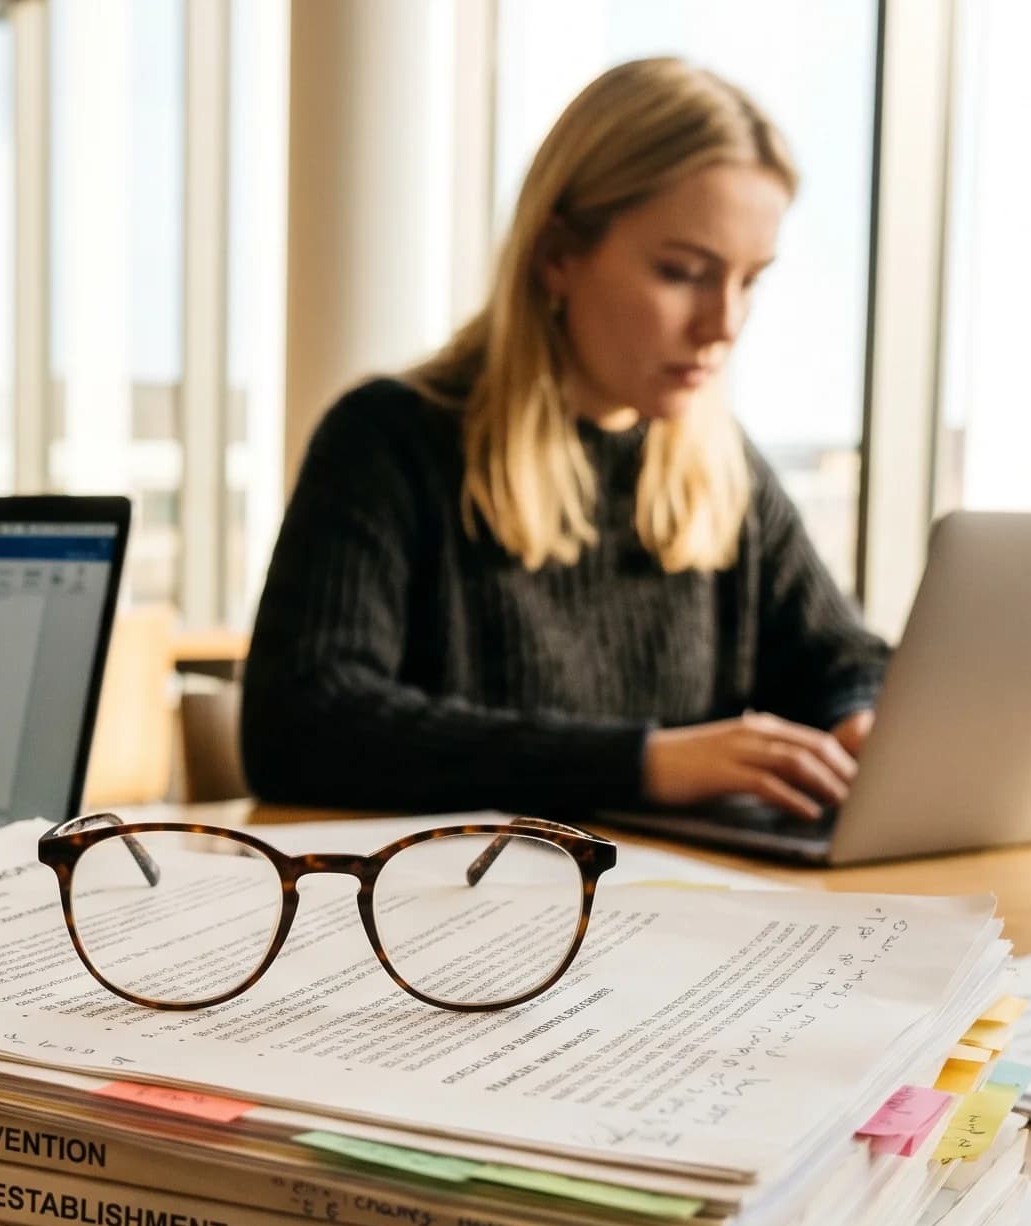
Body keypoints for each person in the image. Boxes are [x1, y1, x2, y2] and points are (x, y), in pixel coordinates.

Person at [238, 58, 887, 817]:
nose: (725, 325)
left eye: (750, 280)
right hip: (465, 922)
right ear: (557, 257)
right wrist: (641, 764)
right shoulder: (388, 441)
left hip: (686, 913)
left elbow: (842, 659)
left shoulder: (720, 464)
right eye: (683, 273)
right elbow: (302, 726)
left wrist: (862, 717)